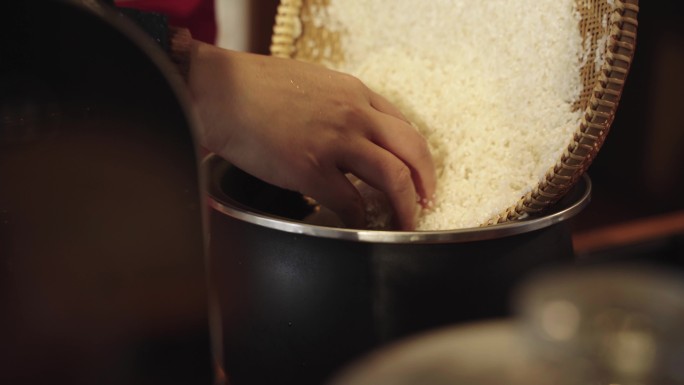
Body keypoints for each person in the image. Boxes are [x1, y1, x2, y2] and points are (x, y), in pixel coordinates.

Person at [114, 0, 436, 230]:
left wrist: (265, 71)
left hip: (183, 148)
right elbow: (63, 30)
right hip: (97, 133)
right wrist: (206, 82)